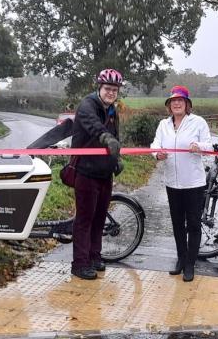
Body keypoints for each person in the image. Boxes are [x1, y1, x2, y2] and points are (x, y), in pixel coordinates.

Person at [150, 86, 213, 282]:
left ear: (187, 104)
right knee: (177, 224)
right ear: (169, 105)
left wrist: (198, 147)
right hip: (172, 182)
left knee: (193, 224)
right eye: (173, 101)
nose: (176, 103)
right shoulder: (163, 125)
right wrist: (157, 154)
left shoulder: (198, 122)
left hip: (193, 183)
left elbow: (209, 146)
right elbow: (155, 144)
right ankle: (181, 259)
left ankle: (190, 264)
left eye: (180, 100)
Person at [70, 68, 124, 280]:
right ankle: (79, 264)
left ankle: (94, 256)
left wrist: (116, 159)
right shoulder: (87, 105)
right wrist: (105, 138)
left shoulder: (112, 110)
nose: (111, 93)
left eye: (114, 90)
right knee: (85, 219)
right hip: (86, 171)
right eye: (108, 89)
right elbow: (94, 127)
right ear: (99, 88)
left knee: (100, 218)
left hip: (104, 173)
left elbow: (116, 137)